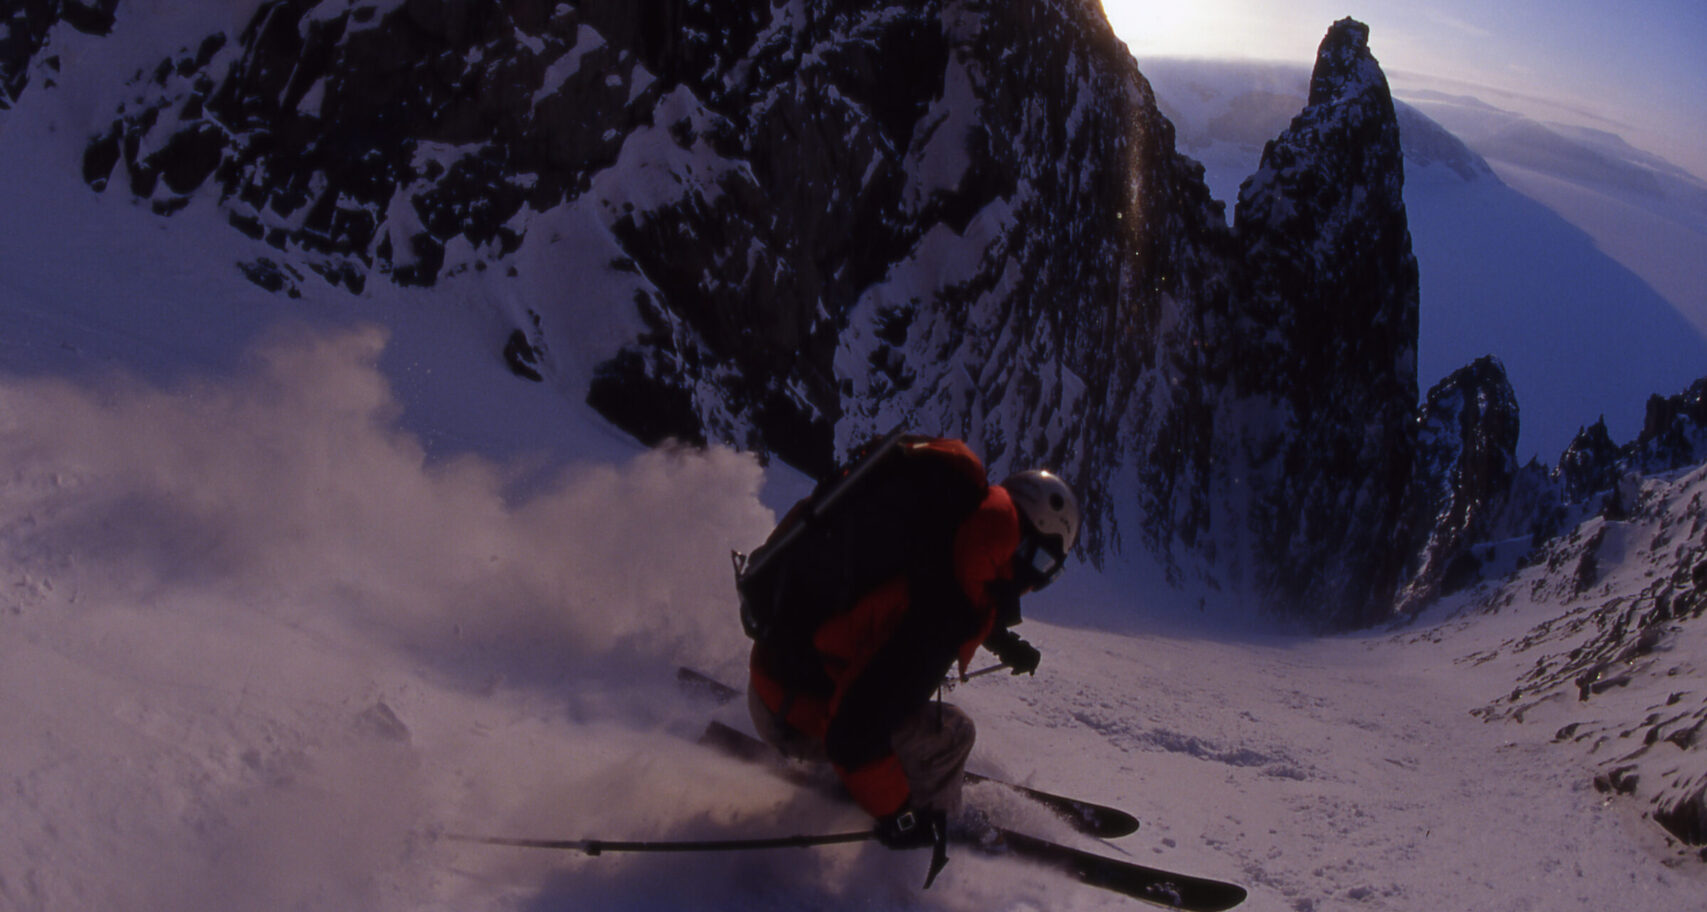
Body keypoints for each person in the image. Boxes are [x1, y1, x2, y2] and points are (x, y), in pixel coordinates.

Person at [744, 436, 1080, 856]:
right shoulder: (942, 614)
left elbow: (928, 589)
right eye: (1043, 564)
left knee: (886, 706)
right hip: (795, 718)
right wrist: (901, 818)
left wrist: (1002, 641)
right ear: (1025, 546)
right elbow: (851, 736)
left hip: (777, 675)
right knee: (954, 734)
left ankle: (871, 778)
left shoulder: (947, 527)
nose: (1034, 581)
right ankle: (934, 829)